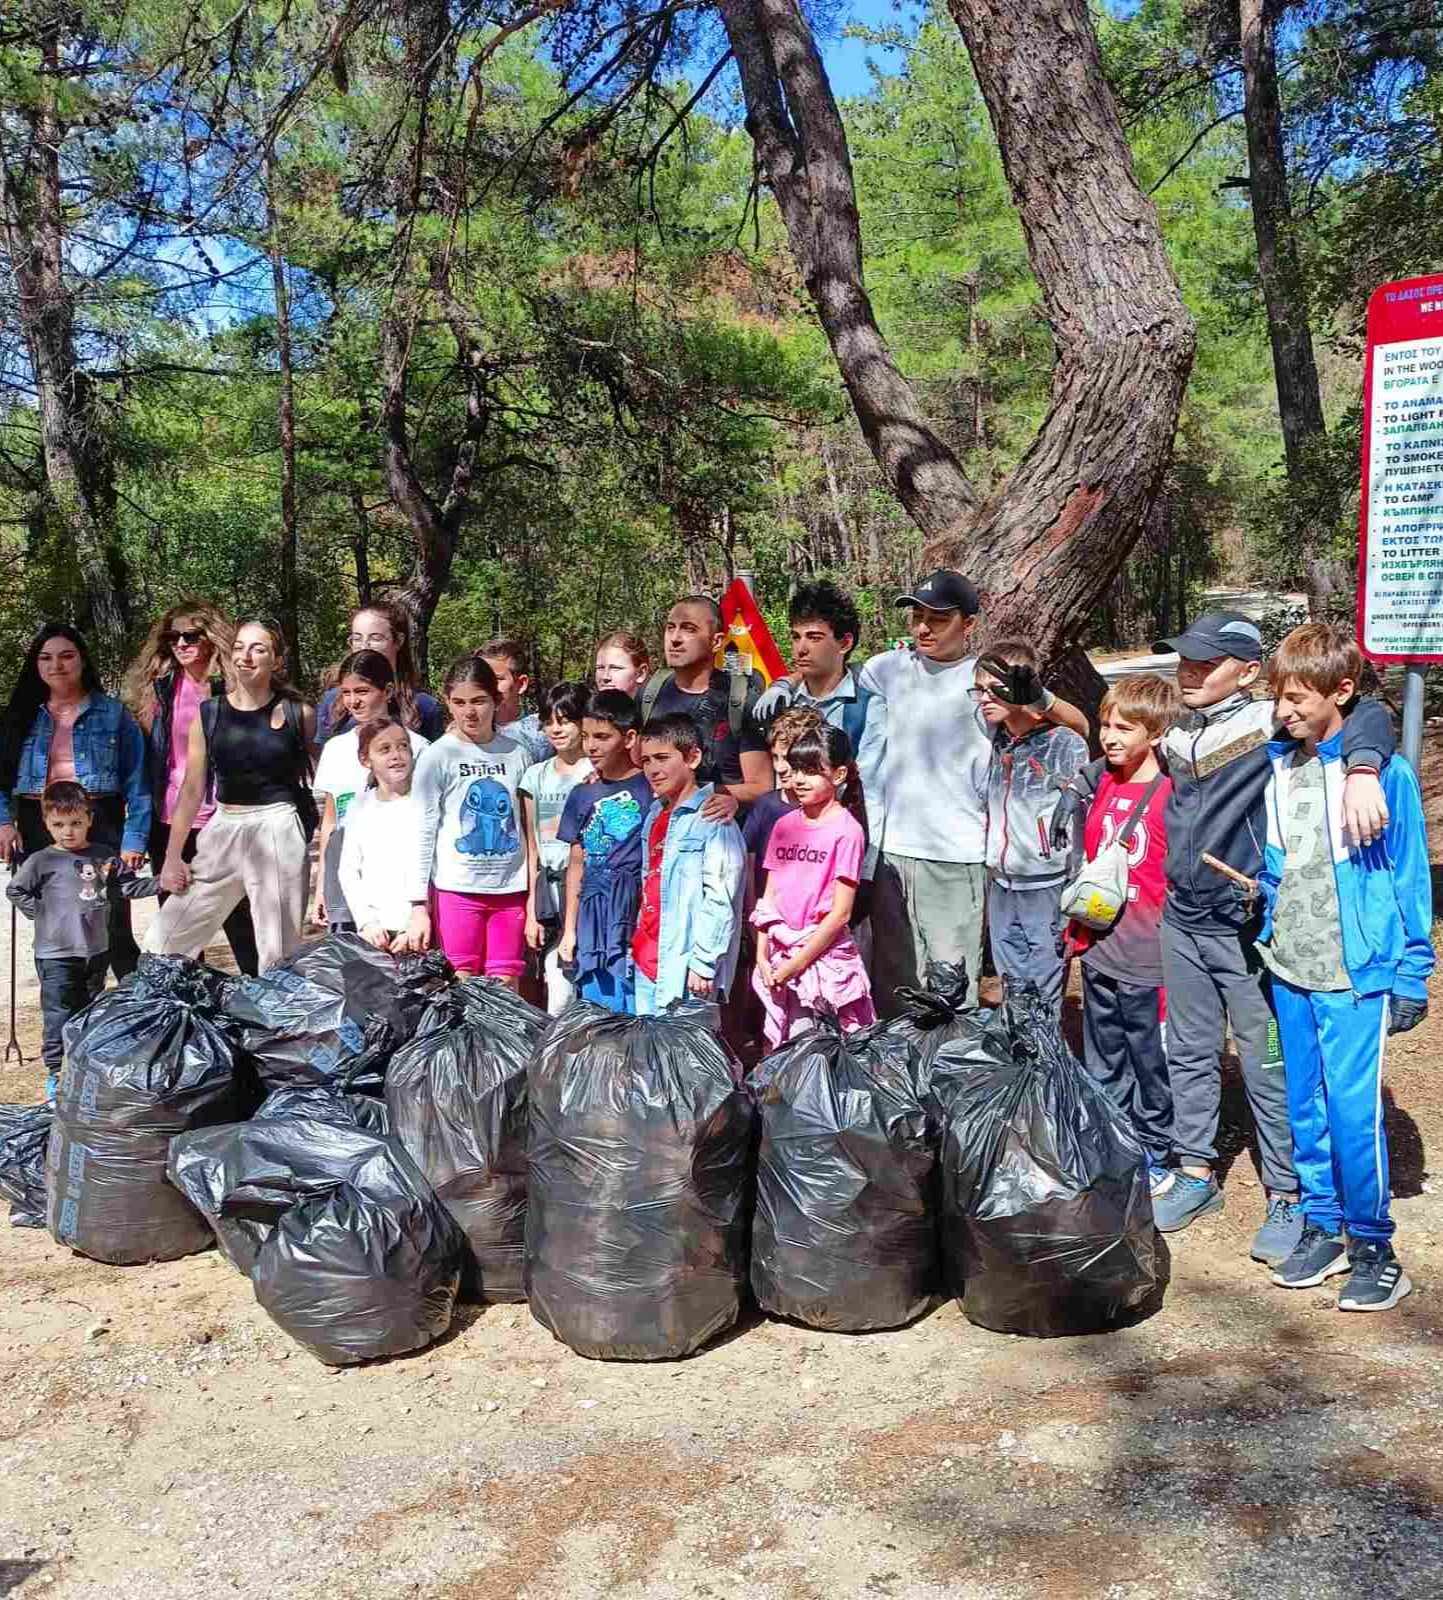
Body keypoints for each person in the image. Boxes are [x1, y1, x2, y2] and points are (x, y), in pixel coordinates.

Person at [1142, 610, 1394, 1263]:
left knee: (1269, 1060)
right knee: (1190, 1050)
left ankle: (1287, 1193)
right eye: (1183, 659)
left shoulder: (1267, 727)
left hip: (1246, 929)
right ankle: (1194, 1172)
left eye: (1205, 662)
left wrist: (1363, 769)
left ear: (1247, 672)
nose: (1188, 671)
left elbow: (1364, 713)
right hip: (1183, 918)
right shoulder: (1176, 732)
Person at [1257, 625, 1431, 1311]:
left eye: (1297, 698)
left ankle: (1373, 1243)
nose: (1284, 712)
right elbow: (1280, 863)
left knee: (1351, 1113)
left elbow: (1409, 877)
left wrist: (1411, 970)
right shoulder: (1281, 766)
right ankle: (1323, 1224)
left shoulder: (1382, 774)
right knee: (1303, 1104)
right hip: (1290, 970)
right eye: (1278, 698)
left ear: (1342, 691)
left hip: (1354, 975)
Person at [856, 570, 1088, 1014]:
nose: (923, 627)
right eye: (917, 616)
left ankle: (951, 1073)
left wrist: (1037, 698)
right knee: (896, 981)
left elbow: (1077, 728)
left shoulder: (987, 679)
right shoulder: (886, 668)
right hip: (891, 851)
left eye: (938, 619)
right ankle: (902, 1078)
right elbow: (838, 691)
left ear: (969, 624)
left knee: (948, 984)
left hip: (956, 854)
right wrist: (789, 684)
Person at [146, 619, 315, 974]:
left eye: (258, 648)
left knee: (278, 948)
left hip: (277, 828)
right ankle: (163, 1014)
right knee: (168, 935)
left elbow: (318, 779)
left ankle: (281, 1026)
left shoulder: (300, 714)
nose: (246, 656)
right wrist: (173, 856)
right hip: (224, 826)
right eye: (239, 647)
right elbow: (192, 789)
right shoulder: (210, 713)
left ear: (276, 660)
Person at [1064, 673, 1178, 1196]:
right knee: (1103, 1052)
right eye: (1106, 724)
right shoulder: (1102, 781)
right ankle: (1113, 1139)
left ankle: (1157, 1148)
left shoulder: (1171, 794)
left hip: (1149, 953)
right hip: (1102, 947)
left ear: (1155, 733)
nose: (1109, 737)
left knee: (1149, 1057)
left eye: (1124, 728)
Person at [0, 623, 150, 980]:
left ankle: (135, 1011)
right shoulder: (18, 716)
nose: (57, 665)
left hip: (100, 822)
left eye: (66, 656)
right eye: (46, 658)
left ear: (82, 660)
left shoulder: (114, 714)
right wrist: (4, 822)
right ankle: (65, 1012)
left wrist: (133, 839)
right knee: (56, 926)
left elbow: (138, 782)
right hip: (39, 826)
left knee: (111, 921)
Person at [124, 601, 259, 974]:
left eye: (190, 636)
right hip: (170, 819)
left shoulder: (234, 687)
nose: (180, 644)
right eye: (172, 638)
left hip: (226, 816)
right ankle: (188, 1009)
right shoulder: (160, 689)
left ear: (212, 638)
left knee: (240, 918)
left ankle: (263, 1002)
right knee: (179, 922)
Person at [7, 782, 159, 1100]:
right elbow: (16, 890)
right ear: (46, 823)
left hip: (95, 951)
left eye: (76, 823)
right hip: (55, 953)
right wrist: (42, 912)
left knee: (90, 1009)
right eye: (58, 825)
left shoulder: (104, 856)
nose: (68, 832)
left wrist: (164, 882)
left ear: (89, 818)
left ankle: (84, 1065)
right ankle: (56, 1072)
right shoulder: (40, 861)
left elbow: (127, 889)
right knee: (59, 1012)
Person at [976, 639, 1088, 1011]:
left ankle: (1047, 1063)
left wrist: (1038, 697)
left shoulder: (1062, 743)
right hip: (1001, 882)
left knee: (1044, 982)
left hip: (1046, 885)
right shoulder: (993, 738)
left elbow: (1082, 727)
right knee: (1012, 983)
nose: (984, 698)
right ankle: (1021, 1061)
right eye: (978, 690)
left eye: (995, 689)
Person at [406, 656, 531, 987]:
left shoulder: (517, 753)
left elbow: (527, 826)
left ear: (497, 700)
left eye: (479, 701)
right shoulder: (438, 756)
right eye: (459, 702)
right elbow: (422, 830)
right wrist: (419, 903)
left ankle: (505, 1041)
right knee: (460, 982)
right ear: (448, 702)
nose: (469, 712)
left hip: (510, 889)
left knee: (505, 985)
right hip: (457, 890)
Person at [752, 725, 874, 1047]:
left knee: (814, 1053)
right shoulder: (784, 825)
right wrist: (762, 957)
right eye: (796, 771)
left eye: (812, 771)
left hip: (821, 965)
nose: (799, 780)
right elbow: (768, 898)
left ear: (838, 774)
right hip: (778, 961)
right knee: (775, 1047)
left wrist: (796, 964)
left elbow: (841, 914)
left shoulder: (847, 831)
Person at [632, 713, 746, 1016]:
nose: (653, 769)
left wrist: (704, 963)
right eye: (646, 761)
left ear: (692, 757)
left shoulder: (714, 819)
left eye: (662, 758)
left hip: (685, 969)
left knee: (688, 1060)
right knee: (648, 1060)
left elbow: (722, 896)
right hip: (646, 960)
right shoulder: (654, 815)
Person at [310, 650, 429, 932]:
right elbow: (330, 821)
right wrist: (322, 887)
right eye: (346, 692)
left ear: (387, 691)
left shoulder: (418, 748)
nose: (353, 701)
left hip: (398, 880)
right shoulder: (336, 749)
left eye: (362, 691)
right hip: (346, 879)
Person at [556, 690, 652, 1013]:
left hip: (632, 913)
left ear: (629, 738)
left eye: (602, 737)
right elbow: (576, 863)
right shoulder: (581, 794)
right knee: (596, 1009)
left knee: (631, 1007)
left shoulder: (651, 788)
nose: (591, 746)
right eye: (585, 737)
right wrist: (569, 930)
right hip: (591, 914)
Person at [637, 595, 771, 818]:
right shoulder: (650, 693)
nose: (675, 639)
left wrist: (717, 796)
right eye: (670, 628)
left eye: (688, 629)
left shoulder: (740, 700)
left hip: (720, 834)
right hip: (657, 834)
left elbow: (761, 786)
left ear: (716, 642)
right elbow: (634, 764)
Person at [520, 681, 594, 1014]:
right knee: (558, 986)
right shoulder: (535, 776)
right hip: (549, 891)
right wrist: (533, 908)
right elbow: (532, 845)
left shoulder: (595, 772)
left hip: (587, 888)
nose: (555, 729)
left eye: (564, 721)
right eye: (549, 721)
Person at [751, 580, 872, 752]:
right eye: (795, 637)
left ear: (845, 643)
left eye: (814, 637)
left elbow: (868, 775)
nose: (801, 649)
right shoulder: (780, 703)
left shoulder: (867, 708)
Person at [338, 719, 426, 953]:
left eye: (403, 746)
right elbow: (348, 870)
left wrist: (418, 918)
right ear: (365, 759)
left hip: (420, 928)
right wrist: (367, 922)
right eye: (384, 749)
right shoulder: (359, 806)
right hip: (377, 933)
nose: (396, 755)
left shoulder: (427, 803)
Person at [315, 602, 446, 747]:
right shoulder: (332, 701)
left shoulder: (424, 706)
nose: (364, 646)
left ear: (399, 641)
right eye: (357, 638)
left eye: (375, 638)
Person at [744, 706, 824, 900]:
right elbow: (748, 862)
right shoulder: (765, 806)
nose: (780, 767)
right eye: (775, 757)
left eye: (787, 759)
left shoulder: (828, 811)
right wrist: (751, 914)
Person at [475, 638, 552, 765]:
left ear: (521, 684)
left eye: (497, 679)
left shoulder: (546, 729)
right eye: (480, 679)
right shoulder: (465, 732)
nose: (487, 686)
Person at [594, 631, 652, 696]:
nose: (605, 677)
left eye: (615, 668)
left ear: (641, 673)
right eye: (600, 668)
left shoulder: (660, 704)